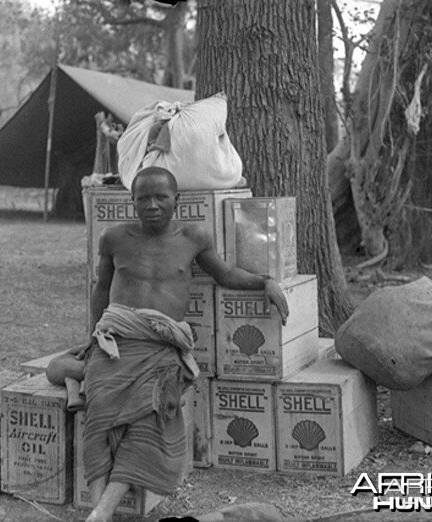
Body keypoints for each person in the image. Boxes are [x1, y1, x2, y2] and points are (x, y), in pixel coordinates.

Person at [50, 166, 289, 522]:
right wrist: (94, 335)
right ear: (132, 201)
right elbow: (101, 289)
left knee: (150, 415)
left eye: (161, 196)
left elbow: (224, 274)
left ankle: (103, 510)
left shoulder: (193, 237)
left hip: (161, 347)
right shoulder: (114, 238)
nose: (152, 205)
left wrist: (264, 282)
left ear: (176, 200)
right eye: (143, 197)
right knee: (99, 406)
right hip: (118, 338)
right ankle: (96, 510)